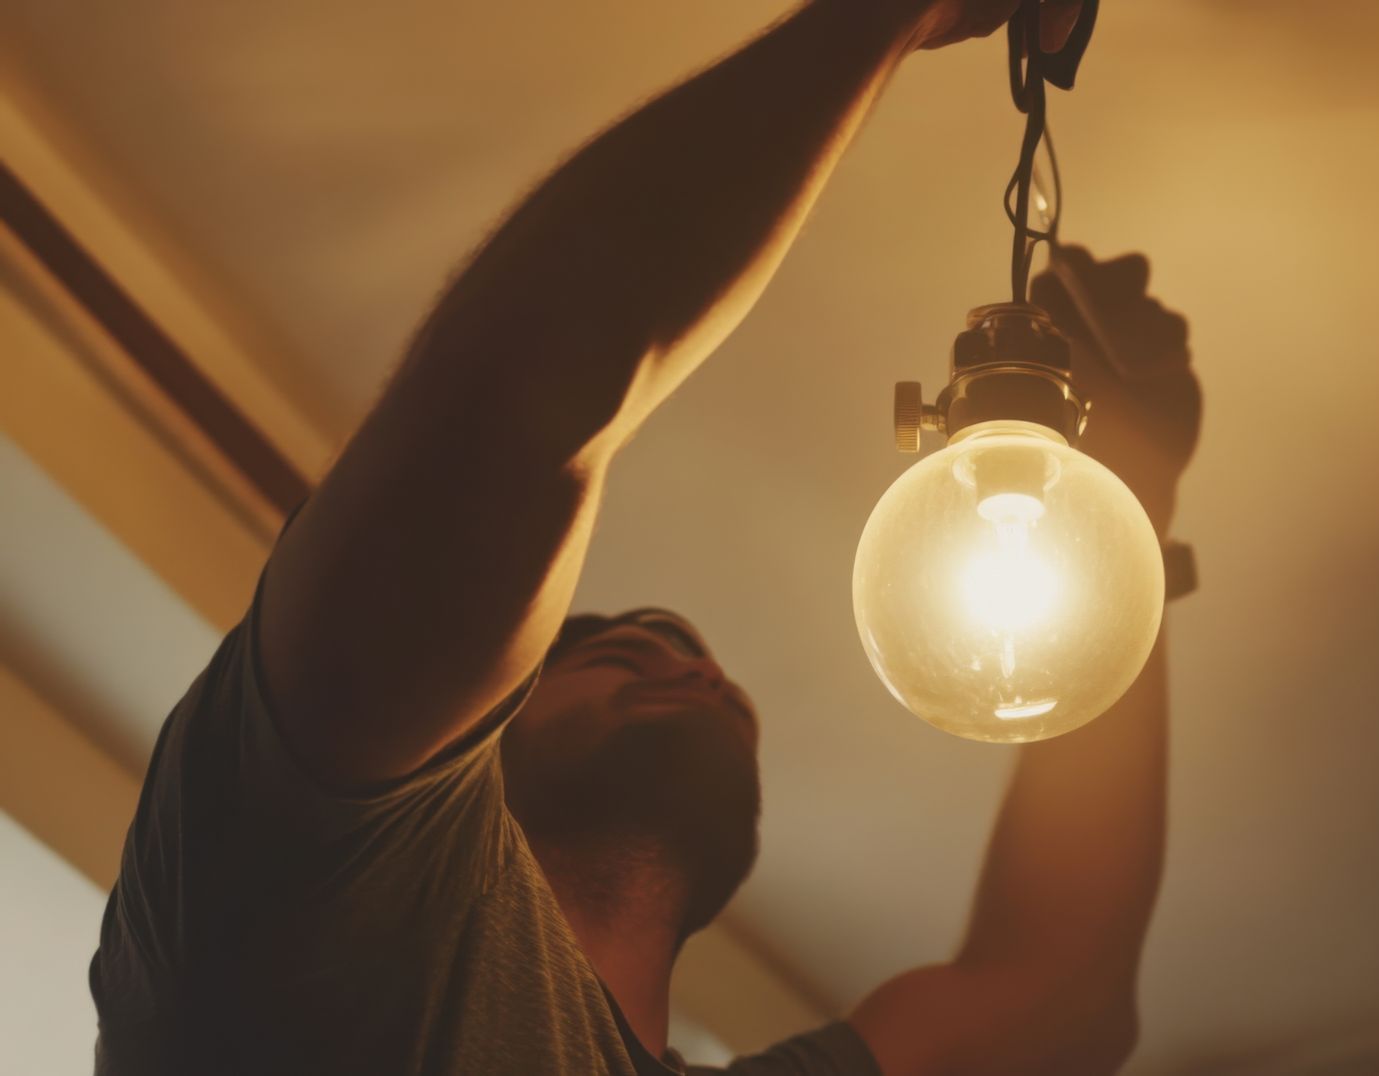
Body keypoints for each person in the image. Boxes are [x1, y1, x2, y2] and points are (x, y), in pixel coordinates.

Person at [89, 0, 1200, 1072]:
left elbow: (1063, 994)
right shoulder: (301, 872)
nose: (690, 656)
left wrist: (1126, 505)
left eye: (685, 662)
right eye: (616, 647)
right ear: (478, 723)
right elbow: (522, 404)